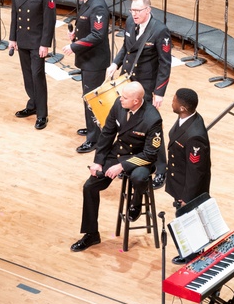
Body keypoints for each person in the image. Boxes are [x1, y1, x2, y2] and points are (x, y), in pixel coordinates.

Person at [70, 82, 164, 252]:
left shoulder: (152, 118)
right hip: (119, 153)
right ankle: (91, 234)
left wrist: (122, 166)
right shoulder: (118, 104)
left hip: (140, 158)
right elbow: (107, 133)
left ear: (136, 101)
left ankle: (136, 204)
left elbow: (150, 154)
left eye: (125, 98)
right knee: (89, 187)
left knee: (138, 177)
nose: (121, 99)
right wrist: (98, 160)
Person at [106, 0, 172, 187]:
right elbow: (126, 47)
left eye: (138, 11)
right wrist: (115, 63)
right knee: (129, 126)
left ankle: (161, 169)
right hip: (129, 84)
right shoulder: (129, 23)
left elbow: (165, 64)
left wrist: (159, 92)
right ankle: (131, 163)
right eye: (132, 10)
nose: (134, 14)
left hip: (147, 87)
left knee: (152, 128)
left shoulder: (160, 31)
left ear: (148, 10)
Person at [61, 0, 111, 153]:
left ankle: (95, 138)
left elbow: (98, 35)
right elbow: (87, 27)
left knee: (92, 100)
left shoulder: (98, 7)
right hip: (88, 59)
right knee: (87, 97)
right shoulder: (88, 2)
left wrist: (75, 45)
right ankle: (92, 129)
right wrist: (76, 34)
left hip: (95, 61)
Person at [8, 0, 56, 130]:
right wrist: (12, 38)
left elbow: (49, 19)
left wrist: (45, 44)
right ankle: (32, 105)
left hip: (37, 42)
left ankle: (42, 114)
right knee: (27, 75)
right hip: (22, 39)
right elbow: (15, 13)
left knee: (37, 76)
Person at [166, 87, 211, 208]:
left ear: (182, 108)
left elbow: (195, 171)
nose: (172, 102)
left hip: (188, 191)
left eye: (174, 100)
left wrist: (187, 198)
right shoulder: (187, 117)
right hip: (179, 180)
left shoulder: (195, 137)